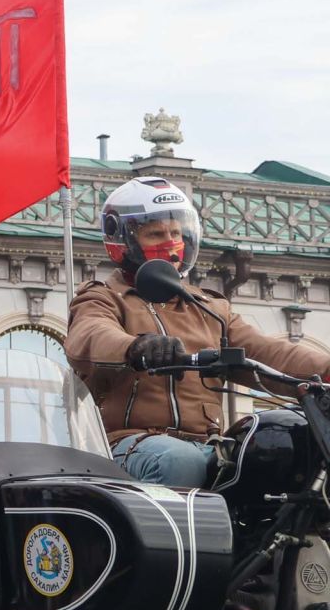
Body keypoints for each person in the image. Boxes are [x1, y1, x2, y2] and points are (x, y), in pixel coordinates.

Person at [67, 178, 330, 488]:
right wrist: (136, 347)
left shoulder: (208, 308)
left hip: (207, 444)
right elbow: (90, 336)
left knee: (286, 455)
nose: (170, 241)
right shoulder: (103, 297)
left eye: (175, 232)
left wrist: (325, 371)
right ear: (123, 240)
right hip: (126, 444)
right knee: (179, 461)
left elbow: (266, 352)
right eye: (155, 233)